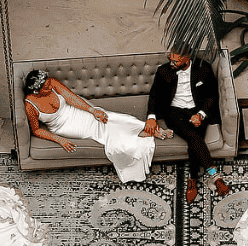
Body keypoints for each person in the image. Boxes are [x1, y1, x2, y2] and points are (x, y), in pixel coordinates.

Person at [23, 69, 171, 184]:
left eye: (49, 83)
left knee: (108, 117)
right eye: (46, 87)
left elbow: (71, 98)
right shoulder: (30, 104)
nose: (50, 86)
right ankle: (143, 133)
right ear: (36, 91)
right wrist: (60, 140)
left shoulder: (52, 82)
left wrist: (92, 110)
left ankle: (149, 128)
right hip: (64, 125)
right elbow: (36, 130)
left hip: (74, 110)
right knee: (100, 130)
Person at [142, 49, 230, 204]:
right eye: (171, 59)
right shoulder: (163, 71)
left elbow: (212, 95)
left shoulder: (203, 68)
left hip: (197, 110)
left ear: (187, 58)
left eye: (176, 61)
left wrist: (201, 115)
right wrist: (151, 117)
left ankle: (193, 179)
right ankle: (215, 177)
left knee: (194, 140)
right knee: (193, 136)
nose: (172, 63)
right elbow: (154, 95)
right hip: (174, 112)